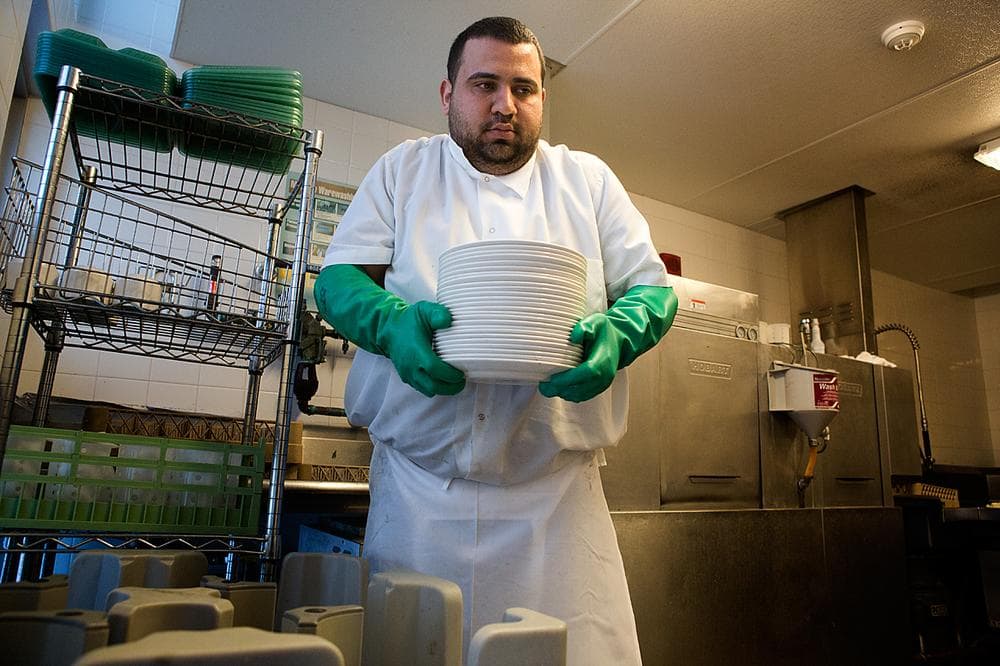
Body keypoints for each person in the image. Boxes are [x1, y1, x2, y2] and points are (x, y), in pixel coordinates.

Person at [314, 16, 677, 665]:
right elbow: (339, 280)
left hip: (557, 509)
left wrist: (619, 336)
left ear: (542, 98)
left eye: (524, 88)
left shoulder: (588, 182)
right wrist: (392, 325)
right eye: (485, 84)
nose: (505, 104)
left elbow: (653, 289)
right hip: (420, 505)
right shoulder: (402, 172)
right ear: (448, 93)